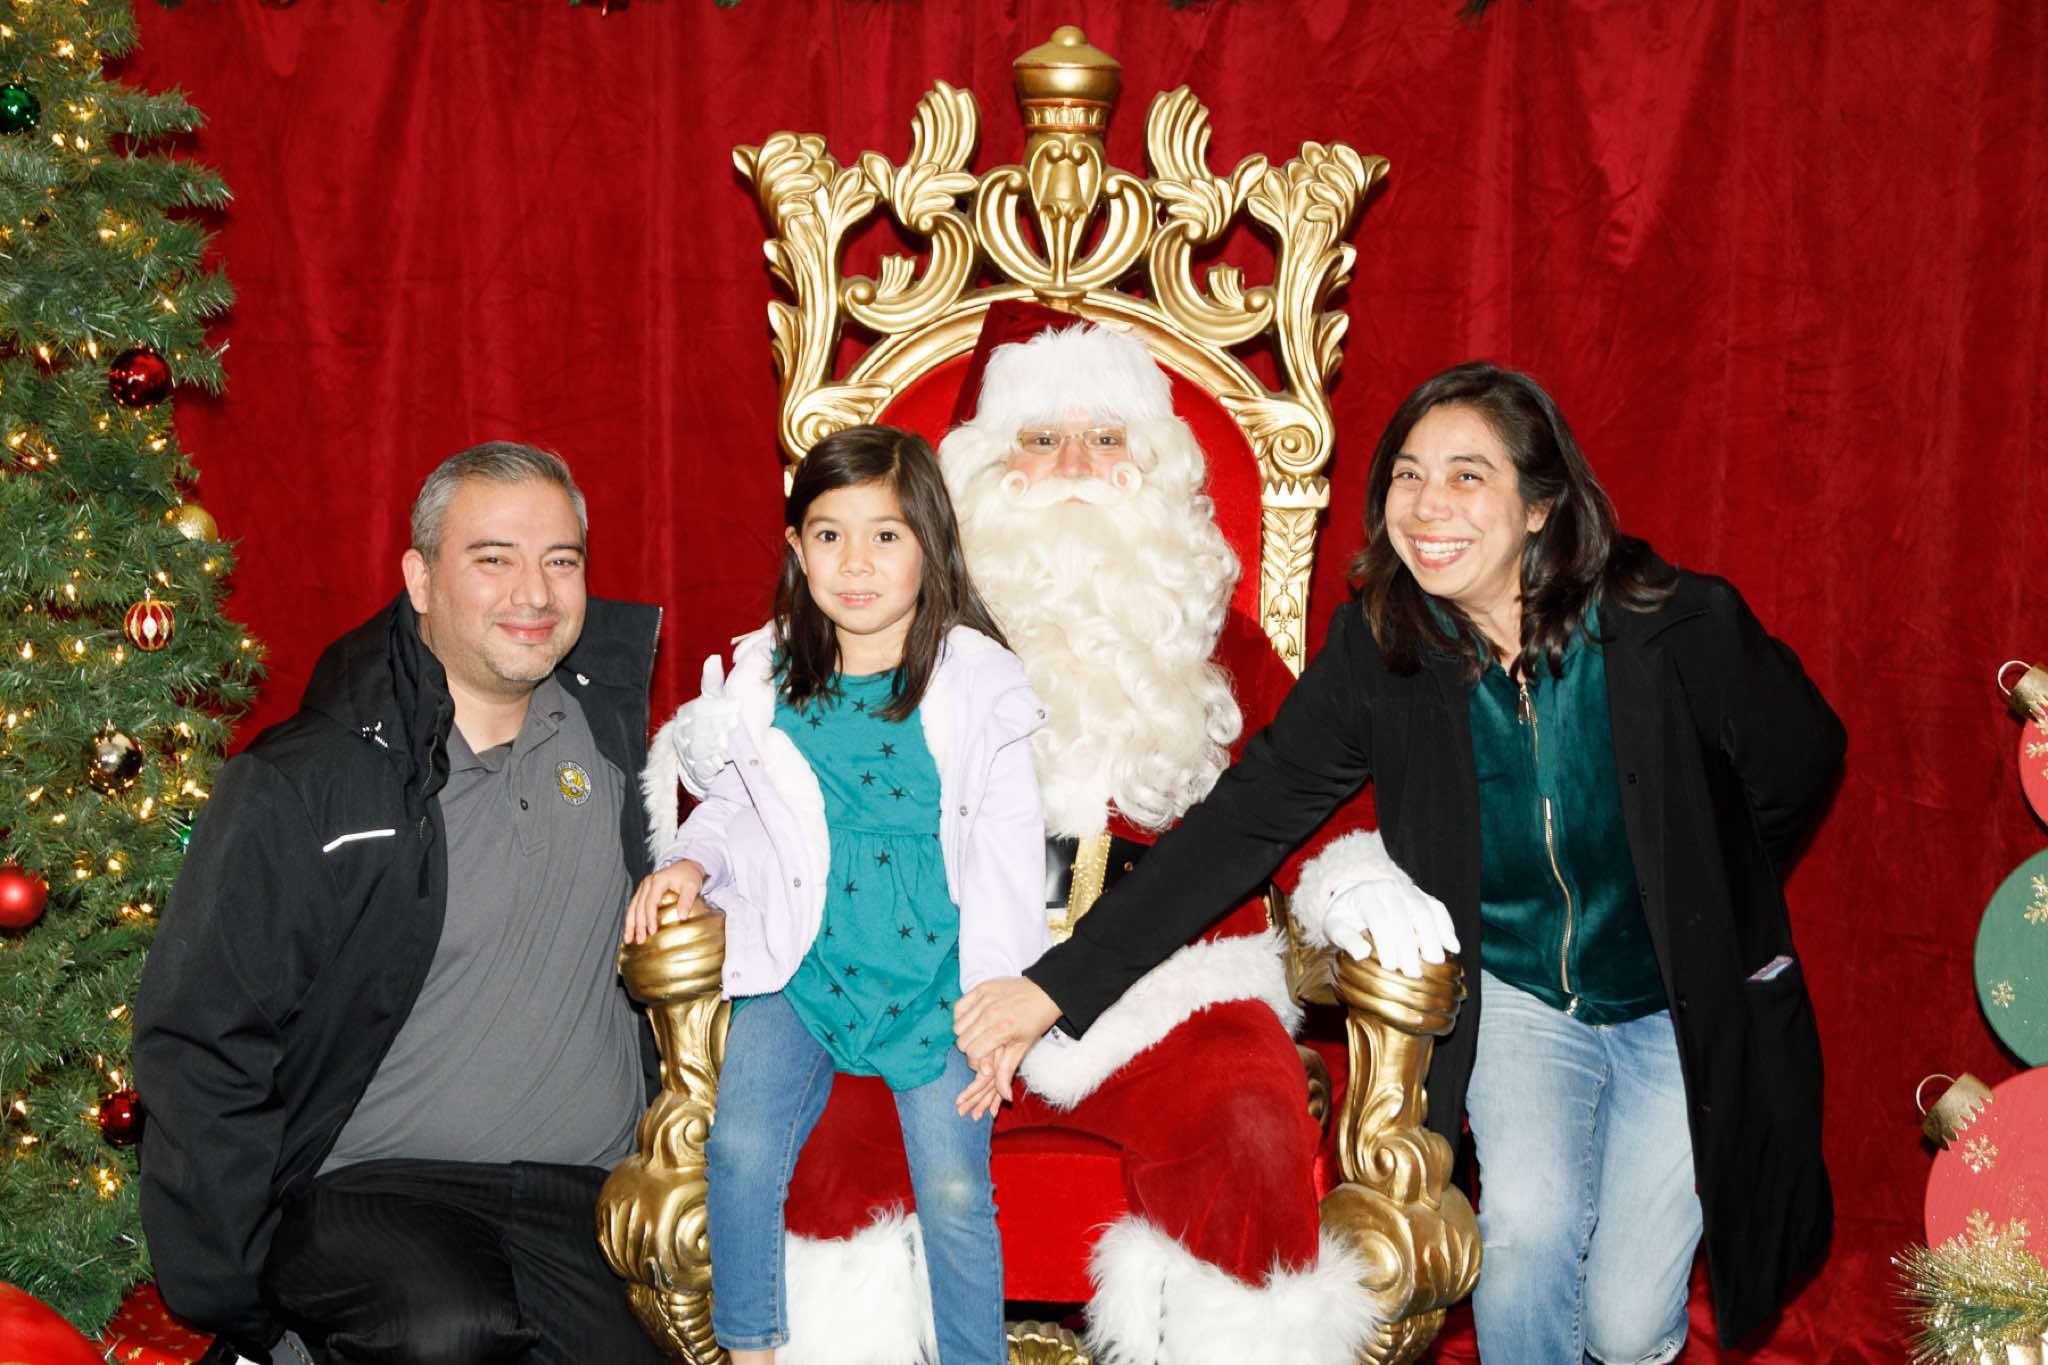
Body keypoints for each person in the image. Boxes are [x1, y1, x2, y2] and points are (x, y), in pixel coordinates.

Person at [956, 360, 1845, 1363]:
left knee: (1626, 1320)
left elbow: (1803, 759)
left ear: (1539, 505)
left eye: (1467, 476)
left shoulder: (1673, 625)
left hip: (1674, 1005)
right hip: (1517, 994)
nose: (1429, 506)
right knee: (1524, 1235)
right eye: (1408, 476)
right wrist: (1054, 987)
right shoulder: (1382, 650)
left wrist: (1698, 892)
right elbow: (1237, 827)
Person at [655, 312, 1388, 1365]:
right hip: (932, 978)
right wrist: (701, 803)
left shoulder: (1212, 635)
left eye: (1106, 438)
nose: (1073, 468)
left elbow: (1314, 793)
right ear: (977, 478)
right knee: (830, 1152)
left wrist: (1358, 882)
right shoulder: (891, 630)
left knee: (1248, 1126)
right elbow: (763, 766)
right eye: (1039, 440)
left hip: (1171, 988)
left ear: (1156, 466)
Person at [134, 443, 666, 1365]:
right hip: (373, 1195)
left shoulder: (624, 748)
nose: (535, 592)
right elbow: (203, 1037)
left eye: (561, 559)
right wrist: (234, 1296)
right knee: (444, 1331)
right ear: (420, 579)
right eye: (493, 558)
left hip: (584, 1202)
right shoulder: (306, 784)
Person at [627, 424, 1049, 1365]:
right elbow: (732, 804)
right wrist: (692, 862)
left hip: (938, 977)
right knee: (739, 1147)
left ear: (931, 545)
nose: (855, 562)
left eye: (885, 535)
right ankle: (750, 1350)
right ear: (797, 547)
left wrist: (1000, 998)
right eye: (829, 535)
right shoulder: (767, 676)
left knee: (954, 1186)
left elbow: (1007, 855)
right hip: (803, 961)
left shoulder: (979, 683)